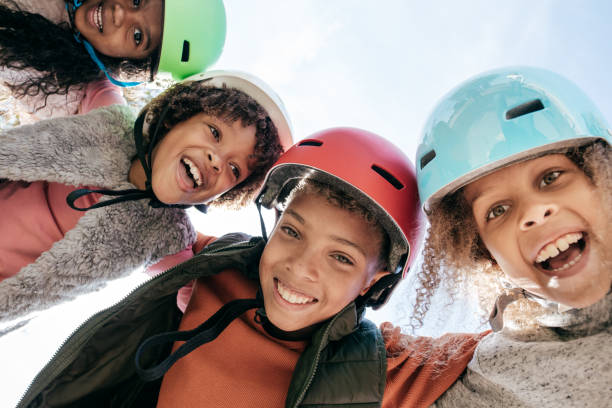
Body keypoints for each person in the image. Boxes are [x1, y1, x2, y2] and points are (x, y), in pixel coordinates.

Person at [15, 128, 486, 408]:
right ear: (273, 222)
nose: (299, 269)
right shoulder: (214, 265)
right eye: (293, 232)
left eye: (341, 257)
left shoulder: (387, 364)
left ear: (379, 279)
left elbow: (521, 345)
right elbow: (144, 208)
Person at [0, 70, 293, 323]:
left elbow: (198, 305)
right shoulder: (111, 122)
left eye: (234, 168)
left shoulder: (169, 240)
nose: (217, 162)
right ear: (174, 119)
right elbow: (89, 71)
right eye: (214, 132)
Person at [414, 66, 611, 407]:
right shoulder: (494, 376)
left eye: (551, 177)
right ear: (488, 256)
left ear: (602, 179)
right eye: (497, 211)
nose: (534, 212)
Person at [0, 0, 226, 119]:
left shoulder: (68, 90)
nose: (119, 12)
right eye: (137, 0)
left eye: (138, 36)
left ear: (130, 64)